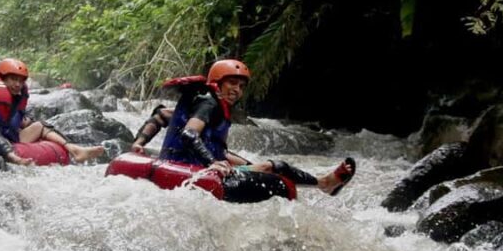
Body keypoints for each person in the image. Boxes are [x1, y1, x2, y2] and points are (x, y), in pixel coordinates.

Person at [132, 59, 355, 196]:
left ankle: (324, 184)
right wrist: (214, 162)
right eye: (232, 83)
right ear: (217, 84)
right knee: (277, 166)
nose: (237, 90)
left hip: (195, 161)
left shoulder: (201, 101)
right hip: (189, 166)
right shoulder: (209, 102)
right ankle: (324, 184)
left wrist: (139, 143)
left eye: (241, 86)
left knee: (263, 166)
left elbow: (161, 115)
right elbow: (190, 134)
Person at [0, 58, 105, 166]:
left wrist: (37, 127)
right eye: (13, 79)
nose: (17, 84)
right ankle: (14, 159)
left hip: (6, 139)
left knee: (39, 125)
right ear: (2, 79)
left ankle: (75, 150)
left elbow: (22, 121)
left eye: (21, 80)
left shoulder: (17, 99)